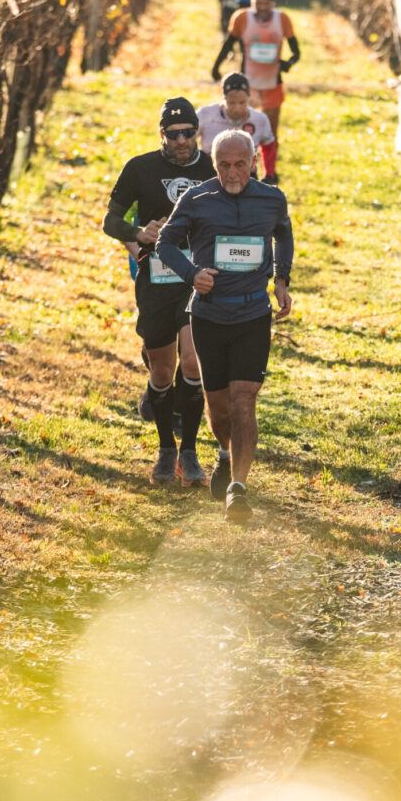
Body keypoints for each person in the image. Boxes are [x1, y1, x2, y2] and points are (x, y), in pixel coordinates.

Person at [154, 130, 294, 522]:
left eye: (240, 164)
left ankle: (238, 488)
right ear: (213, 165)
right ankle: (225, 453)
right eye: (223, 165)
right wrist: (191, 274)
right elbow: (165, 243)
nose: (232, 173)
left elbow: (284, 233)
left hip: (252, 313)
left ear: (253, 162)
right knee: (218, 408)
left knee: (244, 399)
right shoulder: (197, 199)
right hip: (210, 315)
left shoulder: (271, 199)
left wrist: (281, 278)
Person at [102, 97, 216, 486]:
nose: (182, 140)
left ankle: (190, 451)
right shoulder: (140, 168)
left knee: (192, 361)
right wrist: (138, 234)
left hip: (197, 280)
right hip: (155, 279)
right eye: (174, 134)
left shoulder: (211, 167)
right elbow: (110, 220)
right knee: (163, 369)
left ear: (196, 131)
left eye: (188, 132)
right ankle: (166, 448)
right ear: (162, 134)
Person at [211, 0, 299, 186]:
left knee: (270, 133)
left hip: (272, 82)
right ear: (251, 2)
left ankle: (270, 174)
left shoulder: (282, 19)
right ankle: (243, 170)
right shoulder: (242, 17)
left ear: (274, 4)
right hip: (246, 84)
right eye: (257, 3)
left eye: (266, 4)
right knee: (242, 129)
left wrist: (288, 64)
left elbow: (297, 52)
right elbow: (228, 43)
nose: (262, 8)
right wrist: (216, 66)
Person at [197, 72, 275, 180]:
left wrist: (269, 175)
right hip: (212, 174)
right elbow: (189, 140)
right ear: (224, 99)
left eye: (242, 102)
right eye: (232, 103)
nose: (237, 108)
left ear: (249, 97)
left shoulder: (260, 119)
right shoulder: (205, 114)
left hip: (247, 176)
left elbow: (269, 147)